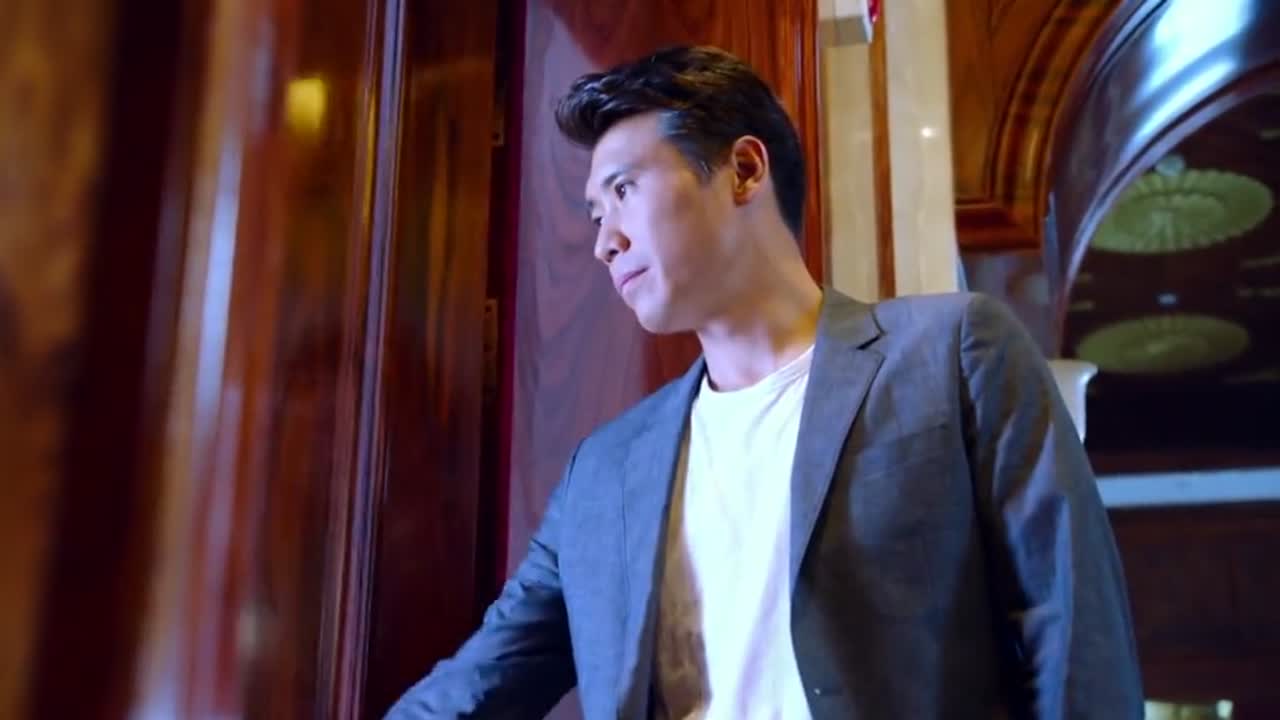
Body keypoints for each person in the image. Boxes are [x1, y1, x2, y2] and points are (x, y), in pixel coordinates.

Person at [386, 45, 1143, 720]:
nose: (604, 242)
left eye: (623, 190)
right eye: (593, 215)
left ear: (745, 170)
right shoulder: (606, 471)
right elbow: (479, 685)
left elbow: (1075, 635)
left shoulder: (951, 354)